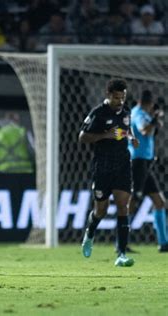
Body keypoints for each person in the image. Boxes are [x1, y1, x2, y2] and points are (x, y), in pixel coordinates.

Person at [79, 78, 139, 267]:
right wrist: (105, 134)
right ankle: (90, 233)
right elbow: (82, 137)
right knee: (101, 211)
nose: (120, 101)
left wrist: (132, 137)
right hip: (103, 167)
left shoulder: (126, 112)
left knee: (123, 206)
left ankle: (121, 253)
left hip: (122, 165)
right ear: (108, 95)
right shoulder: (98, 113)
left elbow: (125, 131)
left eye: (122, 97)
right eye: (116, 97)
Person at [128, 90, 167, 252]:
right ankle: (121, 242)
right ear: (149, 104)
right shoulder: (138, 114)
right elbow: (144, 130)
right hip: (137, 163)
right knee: (132, 203)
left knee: (160, 202)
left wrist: (155, 122)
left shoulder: (142, 113)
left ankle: (163, 243)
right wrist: (155, 119)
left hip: (145, 164)